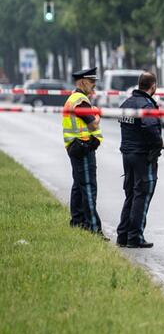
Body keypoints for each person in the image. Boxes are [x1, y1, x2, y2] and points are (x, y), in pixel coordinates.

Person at [116, 72, 163, 249]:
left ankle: (123, 235)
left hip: (127, 155)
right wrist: (158, 143)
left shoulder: (126, 103)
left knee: (131, 194)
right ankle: (135, 236)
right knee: (142, 195)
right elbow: (150, 127)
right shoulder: (147, 105)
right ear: (153, 86)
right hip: (143, 156)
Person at [63, 67, 104, 237]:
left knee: (79, 187)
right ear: (82, 82)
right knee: (88, 188)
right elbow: (93, 124)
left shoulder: (77, 99)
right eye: (92, 82)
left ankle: (77, 222)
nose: (94, 85)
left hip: (77, 147)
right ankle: (93, 228)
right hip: (83, 147)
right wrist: (97, 115)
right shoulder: (80, 100)